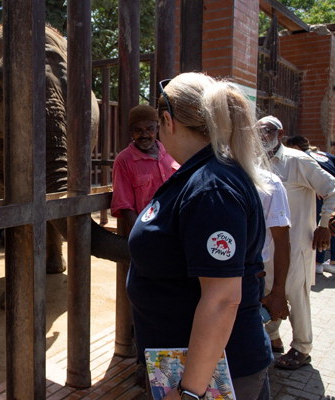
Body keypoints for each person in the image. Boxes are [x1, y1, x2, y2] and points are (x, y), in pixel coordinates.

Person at [128, 73, 272, 400]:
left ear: (167, 121)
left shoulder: (212, 188)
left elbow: (222, 298)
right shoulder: (200, 175)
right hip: (180, 363)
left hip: (211, 373)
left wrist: (190, 391)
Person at [260, 115, 335, 370]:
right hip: (269, 244)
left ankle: (302, 348)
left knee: (296, 294)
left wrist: (324, 225)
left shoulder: (298, 161)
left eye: (268, 131)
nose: (262, 136)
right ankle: (273, 337)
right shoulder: (258, 161)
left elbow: (332, 189)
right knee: (270, 290)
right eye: (258, 131)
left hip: (297, 243)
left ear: (280, 134)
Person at [111, 105, 180, 229]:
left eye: (150, 129)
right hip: (150, 231)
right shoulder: (124, 161)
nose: (144, 134)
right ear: (130, 131)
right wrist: (143, 235)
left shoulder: (172, 152)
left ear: (157, 128)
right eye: (138, 130)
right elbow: (124, 206)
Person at [284, 135, 335, 274]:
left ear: (295, 147)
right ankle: (332, 261)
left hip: (326, 194)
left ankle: (318, 262)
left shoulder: (301, 159)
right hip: (331, 193)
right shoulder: (324, 154)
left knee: (321, 227)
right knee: (332, 226)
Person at [256, 169, 291, 327]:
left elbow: (282, 241)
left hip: (249, 281)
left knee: (248, 341)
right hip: (203, 282)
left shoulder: (269, 182)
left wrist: (278, 291)